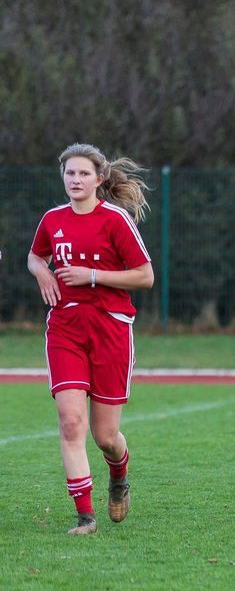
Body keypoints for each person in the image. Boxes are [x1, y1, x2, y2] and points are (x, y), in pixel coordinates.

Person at [28, 143, 155, 534]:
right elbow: (35, 256)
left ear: (99, 179)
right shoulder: (52, 219)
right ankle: (85, 516)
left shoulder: (115, 220)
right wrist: (42, 272)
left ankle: (119, 475)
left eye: (84, 173)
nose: (76, 180)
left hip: (110, 330)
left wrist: (93, 276)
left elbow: (145, 276)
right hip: (65, 328)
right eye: (70, 173)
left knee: (104, 436)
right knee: (70, 423)